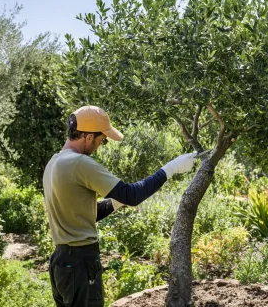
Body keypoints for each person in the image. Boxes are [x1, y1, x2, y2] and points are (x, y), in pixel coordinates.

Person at [43, 105, 197, 307]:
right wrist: (172, 168)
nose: (101, 145)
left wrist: (117, 200)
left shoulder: (54, 163)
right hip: (81, 261)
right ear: (88, 137)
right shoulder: (79, 163)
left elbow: (83, 214)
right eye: (102, 140)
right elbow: (132, 195)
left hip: (62, 262)